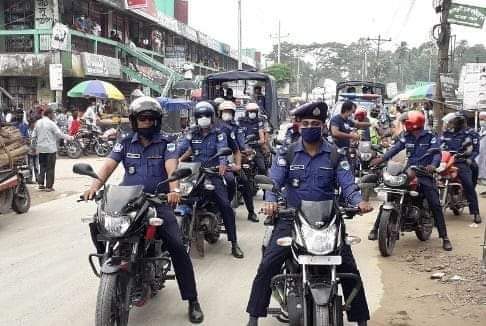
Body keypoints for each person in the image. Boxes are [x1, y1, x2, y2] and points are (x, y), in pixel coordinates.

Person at [246, 102, 373, 326]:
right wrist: (271, 202)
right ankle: (254, 317)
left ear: (323, 126)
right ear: (298, 126)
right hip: (291, 218)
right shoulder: (287, 153)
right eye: (305, 123)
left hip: (329, 220)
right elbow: (274, 182)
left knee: (349, 268)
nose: (310, 127)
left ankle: (360, 319)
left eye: (315, 123)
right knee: (268, 265)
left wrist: (359, 202)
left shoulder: (335, 154)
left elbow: (348, 185)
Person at [82, 96, 204, 323]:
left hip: (158, 202)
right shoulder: (126, 141)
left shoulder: (167, 142)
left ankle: (192, 299)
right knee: (97, 224)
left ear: (156, 121)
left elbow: (171, 165)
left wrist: (174, 189)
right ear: (134, 121)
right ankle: (115, 271)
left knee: (177, 246)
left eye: (149, 119)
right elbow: (109, 164)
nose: (145, 123)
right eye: (141, 119)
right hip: (129, 201)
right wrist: (94, 186)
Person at [370, 111, 453, 251]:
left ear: (413, 123)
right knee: (392, 194)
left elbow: (436, 153)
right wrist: (382, 159)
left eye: (406, 122)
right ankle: (375, 228)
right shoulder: (406, 137)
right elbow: (395, 149)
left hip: (424, 172)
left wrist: (433, 165)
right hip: (408, 171)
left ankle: (444, 237)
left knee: (434, 203)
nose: (404, 125)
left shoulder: (430, 136)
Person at [178, 102, 244, 258]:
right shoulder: (192, 133)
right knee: (180, 197)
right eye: (200, 116)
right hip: (195, 173)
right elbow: (182, 148)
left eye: (206, 115)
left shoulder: (219, 132)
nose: (203, 119)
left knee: (225, 206)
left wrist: (222, 164)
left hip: (213, 173)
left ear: (212, 117)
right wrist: (172, 160)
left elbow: (223, 149)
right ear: (196, 118)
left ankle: (234, 243)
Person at [217, 100, 258, 222]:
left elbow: (240, 146)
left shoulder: (236, 128)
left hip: (232, 159)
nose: (227, 114)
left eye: (229, 112)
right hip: (213, 161)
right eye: (225, 111)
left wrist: (242, 157)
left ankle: (251, 212)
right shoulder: (213, 127)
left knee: (244, 182)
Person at [441, 112, 481, 224]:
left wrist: (468, 159)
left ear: (458, 123)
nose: (449, 124)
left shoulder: (469, 134)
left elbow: (473, 150)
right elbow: (439, 146)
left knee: (468, 185)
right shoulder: (446, 134)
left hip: (461, 162)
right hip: (446, 162)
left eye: (451, 122)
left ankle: (475, 212)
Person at [31, 107, 74, 191]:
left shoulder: (38, 123)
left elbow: (33, 136)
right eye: (53, 114)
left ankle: (40, 184)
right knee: (50, 168)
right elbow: (59, 134)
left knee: (42, 166)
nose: (54, 115)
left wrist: (33, 147)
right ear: (49, 114)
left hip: (41, 149)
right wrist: (70, 138)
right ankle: (48, 186)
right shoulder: (51, 123)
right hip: (50, 149)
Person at [238, 103, 267, 175]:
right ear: (247, 112)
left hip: (255, 148)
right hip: (242, 148)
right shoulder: (241, 121)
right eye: (251, 111)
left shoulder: (259, 122)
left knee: (262, 168)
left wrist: (256, 143)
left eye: (254, 111)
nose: (252, 113)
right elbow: (237, 134)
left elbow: (262, 139)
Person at [27, 120, 39, 184]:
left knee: (36, 166)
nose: (34, 125)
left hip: (36, 151)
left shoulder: (36, 131)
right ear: (30, 124)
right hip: (30, 151)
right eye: (33, 123)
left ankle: (37, 179)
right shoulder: (27, 131)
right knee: (30, 166)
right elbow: (27, 140)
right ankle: (30, 179)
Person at [478, 111, 486, 195]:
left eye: (482, 119)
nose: (481, 121)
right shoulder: (481, 130)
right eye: (480, 119)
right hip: (481, 156)